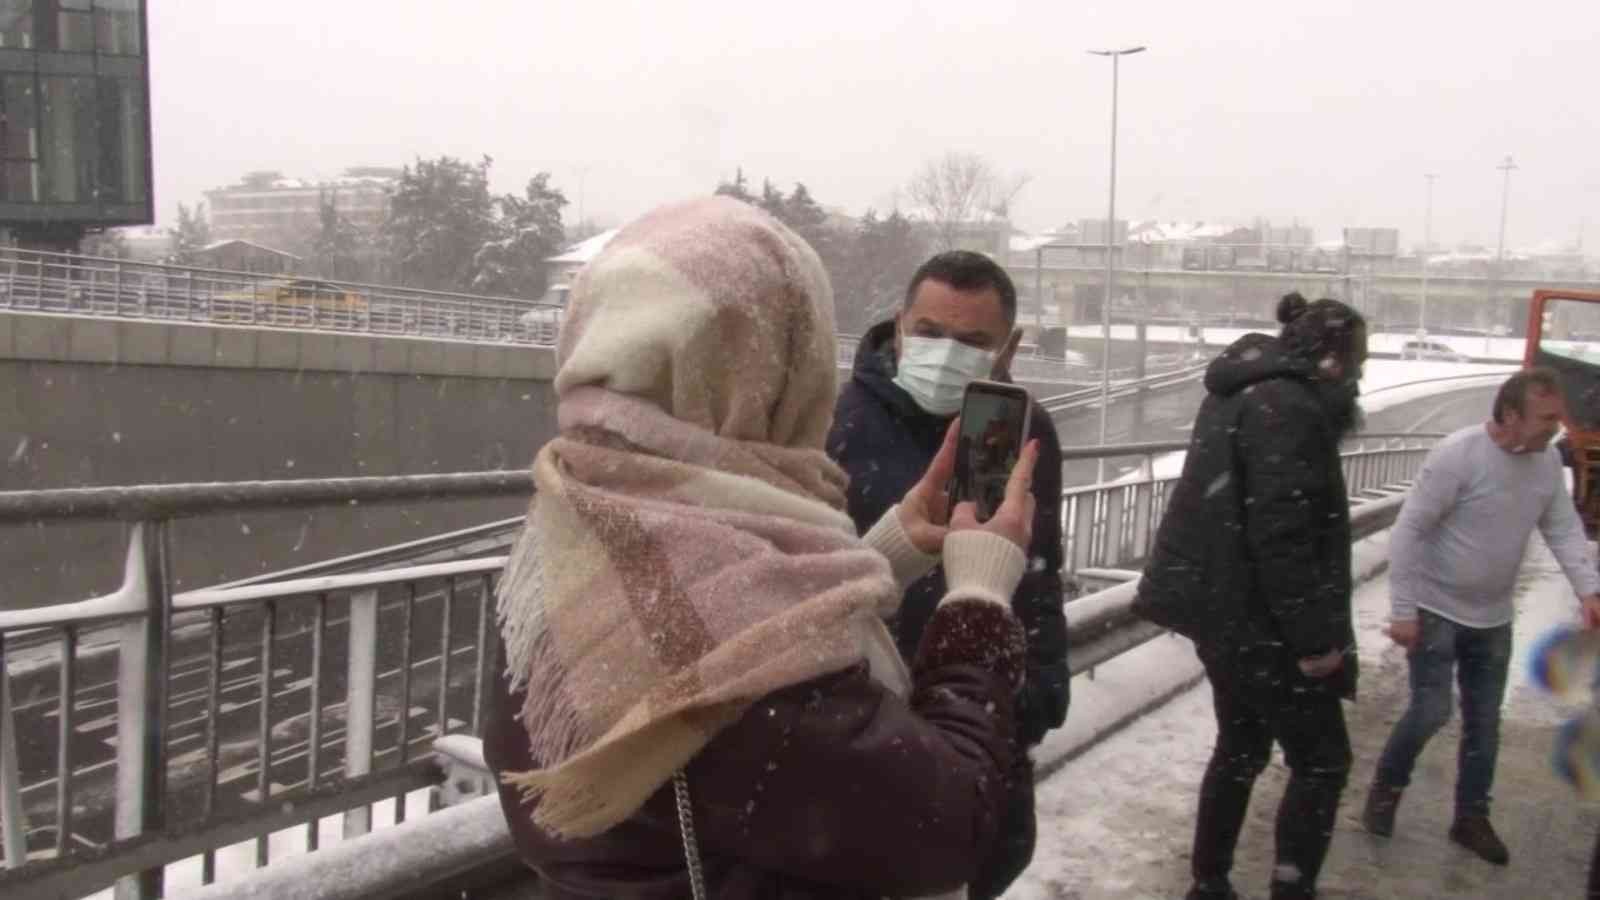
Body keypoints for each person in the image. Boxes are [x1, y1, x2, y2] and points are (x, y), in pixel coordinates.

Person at [483, 197, 1039, 900]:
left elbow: (744, 645)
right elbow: (951, 823)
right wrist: (980, 598)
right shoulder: (736, 656)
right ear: (776, 368)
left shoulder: (577, 522)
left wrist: (889, 550)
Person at [827, 250, 1070, 900]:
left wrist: (1038, 690)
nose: (944, 351)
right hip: (868, 720)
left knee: (989, 860)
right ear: (900, 325)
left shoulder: (1028, 433)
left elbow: (1040, 573)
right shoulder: (834, 424)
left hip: (985, 706)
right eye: (931, 332)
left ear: (1008, 347)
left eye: (972, 341)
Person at [1135, 292, 1368, 900]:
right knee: (1322, 761)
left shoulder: (1239, 390)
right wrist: (1318, 643)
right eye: (1358, 364)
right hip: (1265, 627)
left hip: (1224, 614)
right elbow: (1282, 537)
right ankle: (1289, 888)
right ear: (1335, 360)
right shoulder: (1289, 406)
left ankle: (1209, 882)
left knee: (1239, 747)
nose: (1361, 380)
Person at [1362, 368, 1600, 865]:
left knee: (1484, 722)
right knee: (1431, 710)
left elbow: (1563, 530)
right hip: (1435, 610)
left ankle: (1471, 817)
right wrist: (1404, 611)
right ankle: (1385, 790)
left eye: (1561, 417)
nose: (1558, 428)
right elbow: (1409, 532)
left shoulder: (1542, 468)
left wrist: (1589, 591)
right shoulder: (1458, 455)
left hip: (1493, 617)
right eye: (1547, 418)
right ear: (1510, 415)